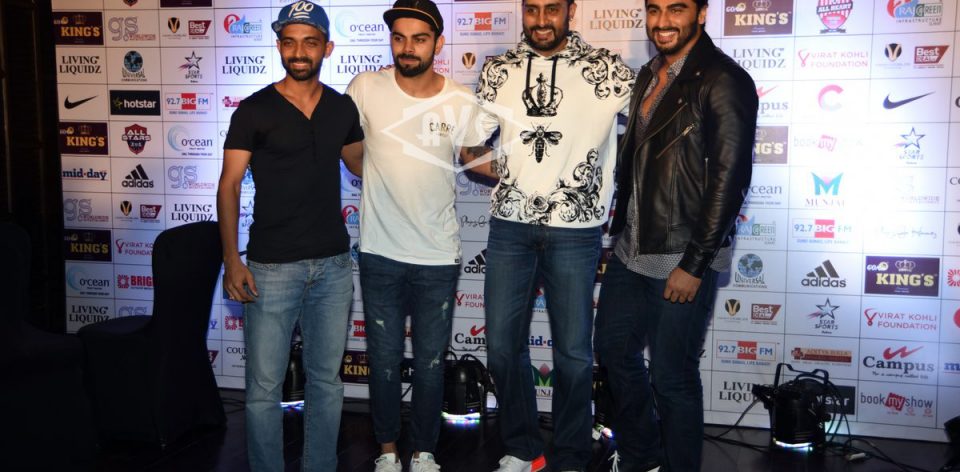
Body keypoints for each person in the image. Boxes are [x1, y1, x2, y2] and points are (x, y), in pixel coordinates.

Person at [460, 0, 635, 470]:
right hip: (510, 228)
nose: (541, 20)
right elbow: (470, 147)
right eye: (532, 9)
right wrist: (514, 176)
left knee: (574, 354)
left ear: (571, 11)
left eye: (551, 8)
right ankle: (522, 449)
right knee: (501, 348)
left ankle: (571, 454)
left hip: (576, 230)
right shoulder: (499, 69)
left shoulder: (605, 69)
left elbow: (655, 122)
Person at [593, 0, 757, 471]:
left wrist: (695, 263)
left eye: (677, 9)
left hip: (683, 254)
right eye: (655, 9)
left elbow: (730, 180)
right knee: (613, 352)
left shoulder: (724, 80)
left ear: (701, 13)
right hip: (632, 248)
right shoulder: (648, 75)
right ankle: (644, 457)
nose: (663, 21)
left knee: (672, 377)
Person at [216, 1, 364, 470]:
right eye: (290, 42)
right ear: (279, 46)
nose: (299, 52)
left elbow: (363, 164)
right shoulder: (254, 109)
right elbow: (229, 184)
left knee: (327, 383)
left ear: (327, 48)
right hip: (270, 266)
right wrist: (232, 260)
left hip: (333, 266)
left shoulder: (342, 108)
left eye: (310, 42)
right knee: (264, 388)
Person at [344, 1, 475, 471]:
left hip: (437, 254)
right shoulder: (365, 87)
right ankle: (386, 451)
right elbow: (351, 153)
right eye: (399, 37)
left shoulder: (460, 99)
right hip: (380, 251)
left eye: (419, 39)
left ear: (437, 43)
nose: (407, 48)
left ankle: (423, 452)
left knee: (430, 363)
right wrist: (385, 184)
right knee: (381, 359)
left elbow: (474, 159)